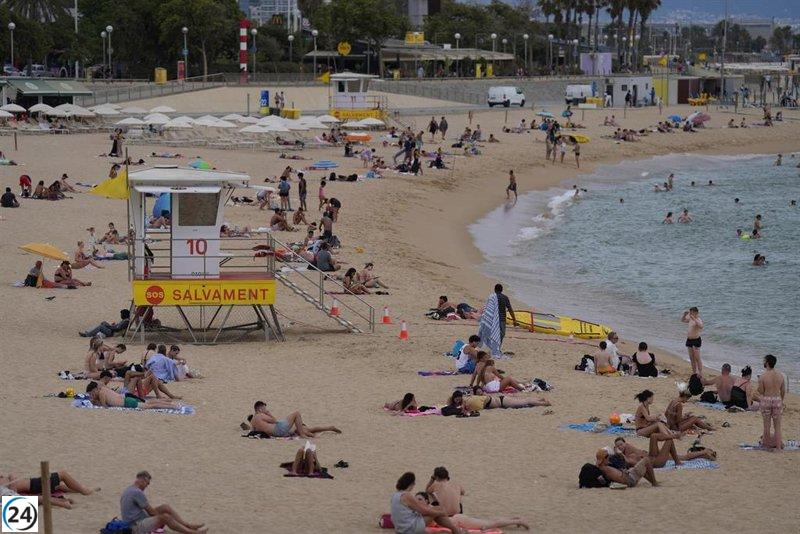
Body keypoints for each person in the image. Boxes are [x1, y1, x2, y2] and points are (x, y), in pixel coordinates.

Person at [120, 471, 206, 534]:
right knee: (165, 517)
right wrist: (166, 519)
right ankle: (191, 532)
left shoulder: (130, 489)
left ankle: (187, 525)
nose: (147, 486)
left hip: (136, 519)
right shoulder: (137, 492)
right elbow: (151, 512)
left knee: (165, 507)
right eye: (147, 483)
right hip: (134, 526)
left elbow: (149, 511)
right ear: (143, 480)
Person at [390, 472, 461, 534]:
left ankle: (454, 529)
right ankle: (455, 530)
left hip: (401, 529)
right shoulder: (406, 495)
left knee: (436, 509)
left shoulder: (395, 495)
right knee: (438, 509)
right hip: (410, 529)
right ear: (412, 484)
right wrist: (440, 513)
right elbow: (423, 511)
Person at [0, 469, 100, 509]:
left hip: (34, 484)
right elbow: (13, 491)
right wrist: (12, 478)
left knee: (59, 486)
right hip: (35, 485)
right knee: (63, 474)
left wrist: (11, 476)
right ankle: (84, 491)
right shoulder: (3, 487)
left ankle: (80, 489)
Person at [248, 400, 341, 438]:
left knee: (304, 429)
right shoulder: (261, 415)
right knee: (296, 414)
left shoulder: (253, 420)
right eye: (264, 408)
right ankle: (303, 434)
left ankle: (328, 428)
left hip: (277, 431)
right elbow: (274, 421)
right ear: (260, 409)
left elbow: (252, 432)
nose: (266, 410)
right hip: (278, 430)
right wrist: (269, 413)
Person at [613, 435, 716, 468]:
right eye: (618, 446)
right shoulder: (624, 457)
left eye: (621, 444)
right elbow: (632, 463)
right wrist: (618, 453)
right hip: (656, 462)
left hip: (652, 455)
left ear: (625, 443)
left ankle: (705, 455)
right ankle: (704, 452)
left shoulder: (628, 447)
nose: (620, 447)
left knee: (654, 436)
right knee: (682, 456)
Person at [757, 354, 785, 450]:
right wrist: (781, 400)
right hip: (777, 399)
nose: (763, 362)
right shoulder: (781, 376)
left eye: (764, 361)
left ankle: (766, 445)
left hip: (767, 399)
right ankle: (778, 448)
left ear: (767, 363)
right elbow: (783, 390)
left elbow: (761, 391)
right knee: (777, 426)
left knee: (767, 425)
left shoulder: (763, 376)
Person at [86, 381, 179, 410]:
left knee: (151, 405)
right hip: (127, 397)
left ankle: (172, 406)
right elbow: (99, 384)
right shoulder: (103, 388)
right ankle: (168, 401)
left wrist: (95, 403)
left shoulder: (101, 393)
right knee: (149, 402)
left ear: (94, 390)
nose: (92, 395)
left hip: (127, 402)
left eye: (92, 393)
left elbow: (104, 406)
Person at [682, 307, 703, 375]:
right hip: (689, 340)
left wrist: (694, 318)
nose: (690, 314)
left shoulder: (698, 320)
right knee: (691, 358)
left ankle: (700, 372)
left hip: (696, 340)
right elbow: (682, 320)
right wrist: (684, 315)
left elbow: (701, 326)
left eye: (691, 313)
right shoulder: (690, 319)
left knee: (697, 357)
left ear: (696, 313)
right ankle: (694, 372)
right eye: (690, 312)